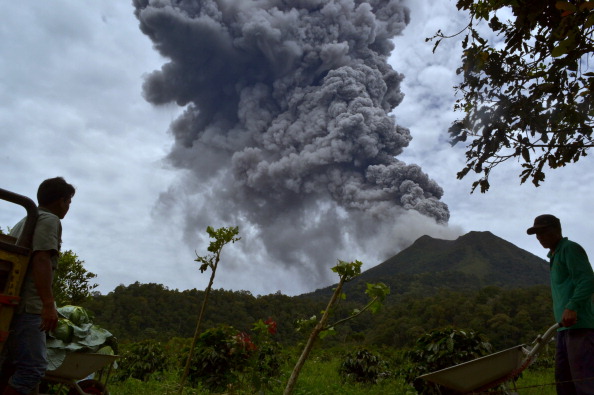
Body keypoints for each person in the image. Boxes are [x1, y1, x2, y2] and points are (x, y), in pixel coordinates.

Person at [0, 177, 75, 395]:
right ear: (61, 201)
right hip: (29, 306)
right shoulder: (50, 220)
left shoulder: (25, 220)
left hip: (13, 303)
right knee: (33, 369)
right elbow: (41, 259)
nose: (68, 208)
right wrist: (48, 305)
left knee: (8, 364)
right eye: (69, 202)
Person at [527, 214, 594, 395]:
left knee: (584, 382)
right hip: (564, 330)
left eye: (542, 232)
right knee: (564, 382)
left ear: (556, 230)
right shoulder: (554, 255)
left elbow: (587, 279)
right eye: (536, 234)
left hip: (580, 328)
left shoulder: (570, 249)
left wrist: (572, 306)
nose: (539, 237)